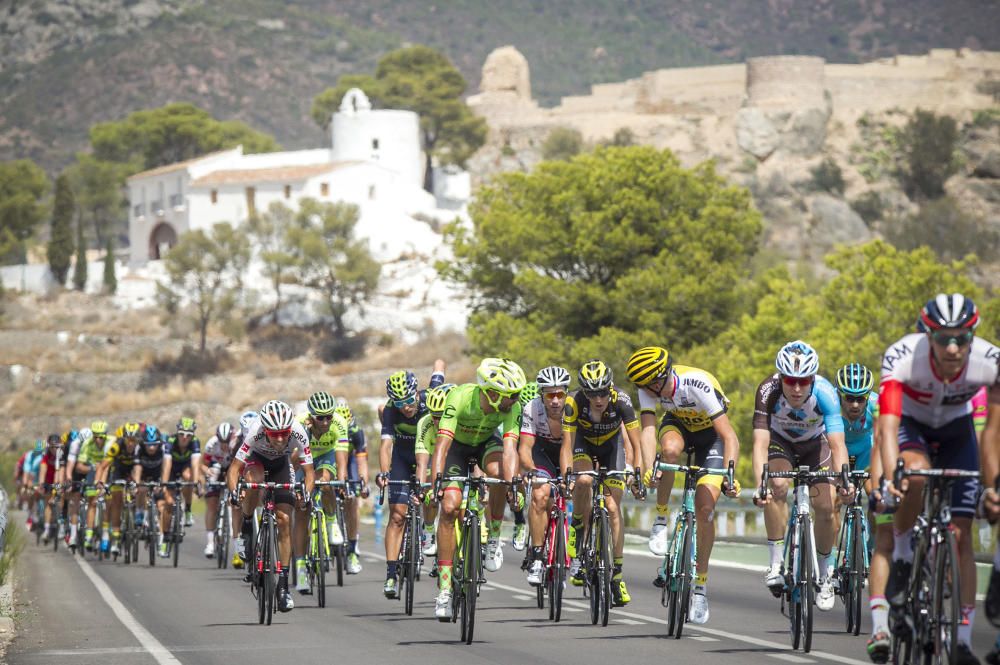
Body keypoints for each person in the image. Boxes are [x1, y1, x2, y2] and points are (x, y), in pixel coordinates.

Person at [881, 294, 998, 665]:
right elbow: (887, 427)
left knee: (961, 535)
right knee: (912, 475)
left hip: (956, 433)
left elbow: (993, 433)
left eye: (962, 338)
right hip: (912, 427)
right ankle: (901, 558)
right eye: (943, 338)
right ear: (926, 335)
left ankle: (962, 641)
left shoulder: (990, 362)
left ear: (972, 337)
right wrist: (890, 477)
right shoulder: (902, 357)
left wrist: (993, 487)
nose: (952, 348)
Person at [627, 346, 740, 624]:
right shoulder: (647, 389)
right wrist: (647, 467)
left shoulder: (697, 384)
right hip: (678, 427)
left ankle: (700, 587)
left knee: (704, 510)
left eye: (655, 383)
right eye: (645, 387)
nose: (652, 391)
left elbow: (729, 437)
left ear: (666, 373)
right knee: (670, 453)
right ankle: (661, 519)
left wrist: (730, 474)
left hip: (711, 436)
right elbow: (649, 431)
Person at [752, 341, 850, 613]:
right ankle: (775, 563)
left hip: (815, 446)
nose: (796, 388)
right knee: (777, 486)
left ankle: (824, 574)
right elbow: (760, 443)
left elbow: (838, 444)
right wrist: (762, 485)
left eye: (803, 381)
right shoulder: (767, 391)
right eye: (790, 380)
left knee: (826, 507)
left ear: (812, 379)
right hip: (781, 443)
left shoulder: (826, 393)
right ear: (781, 377)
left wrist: (843, 482)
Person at [431, 358, 525, 620]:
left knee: (500, 475)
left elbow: (509, 450)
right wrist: (437, 479)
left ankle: (493, 537)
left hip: (486, 444)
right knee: (449, 507)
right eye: (511, 395)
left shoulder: (512, 408)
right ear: (493, 394)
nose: (516, 399)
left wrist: (513, 483)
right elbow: (441, 446)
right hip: (456, 450)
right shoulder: (460, 397)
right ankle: (445, 589)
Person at [562, 360, 642, 607]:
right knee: (584, 480)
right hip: (583, 446)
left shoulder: (622, 401)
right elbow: (567, 444)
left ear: (611, 388)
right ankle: (577, 524)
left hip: (612, 447)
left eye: (603, 392)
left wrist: (636, 473)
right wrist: (568, 476)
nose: (598, 399)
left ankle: (616, 575)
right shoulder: (573, 403)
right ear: (584, 392)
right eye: (592, 394)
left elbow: (637, 444)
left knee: (613, 508)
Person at [228, 400, 314, 613]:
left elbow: (309, 472)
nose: (279, 438)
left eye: (284, 433)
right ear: (264, 428)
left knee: (285, 520)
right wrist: (234, 492)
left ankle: (283, 587)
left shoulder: (298, 431)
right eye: (274, 433)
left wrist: (306, 493)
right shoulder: (254, 431)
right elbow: (233, 469)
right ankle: (247, 525)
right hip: (257, 461)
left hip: (281, 465)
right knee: (252, 481)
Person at [378, 368, 446, 598]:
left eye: (408, 400)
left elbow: (439, 370)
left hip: (426, 455)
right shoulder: (390, 410)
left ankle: (428, 530)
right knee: (397, 515)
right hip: (402, 457)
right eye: (399, 403)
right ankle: (390, 574)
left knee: (429, 496)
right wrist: (384, 472)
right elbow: (386, 445)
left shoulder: (431, 401)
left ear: (416, 393)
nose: (405, 407)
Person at [519, 366, 571, 586]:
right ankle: (538, 557)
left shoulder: (574, 408)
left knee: (581, 494)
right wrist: (531, 471)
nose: (555, 400)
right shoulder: (532, 408)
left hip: (570, 453)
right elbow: (525, 448)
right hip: (542, 454)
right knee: (541, 495)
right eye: (550, 395)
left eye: (560, 394)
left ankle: (578, 556)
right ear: (542, 395)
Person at [333, 397, 370, 574]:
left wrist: (363, 483)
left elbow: (362, 460)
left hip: (350, 462)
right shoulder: (327, 427)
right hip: (330, 460)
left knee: (353, 499)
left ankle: (352, 551)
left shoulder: (355, 430)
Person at [201, 421, 239, 559]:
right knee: (211, 503)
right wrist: (207, 473)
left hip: (231, 467)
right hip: (215, 466)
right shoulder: (211, 444)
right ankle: (210, 543)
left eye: (226, 441)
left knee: (233, 496)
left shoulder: (236, 444)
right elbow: (203, 465)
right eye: (221, 441)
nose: (224, 444)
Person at [164, 417, 202, 530]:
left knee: (188, 477)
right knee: (169, 501)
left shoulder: (195, 442)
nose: (184, 437)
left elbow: (195, 464)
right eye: (181, 434)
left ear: (193, 435)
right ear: (177, 432)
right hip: (172, 467)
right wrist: (164, 484)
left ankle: (188, 509)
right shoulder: (170, 441)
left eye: (188, 435)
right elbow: (166, 464)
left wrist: (194, 483)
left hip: (185, 466)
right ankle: (165, 533)